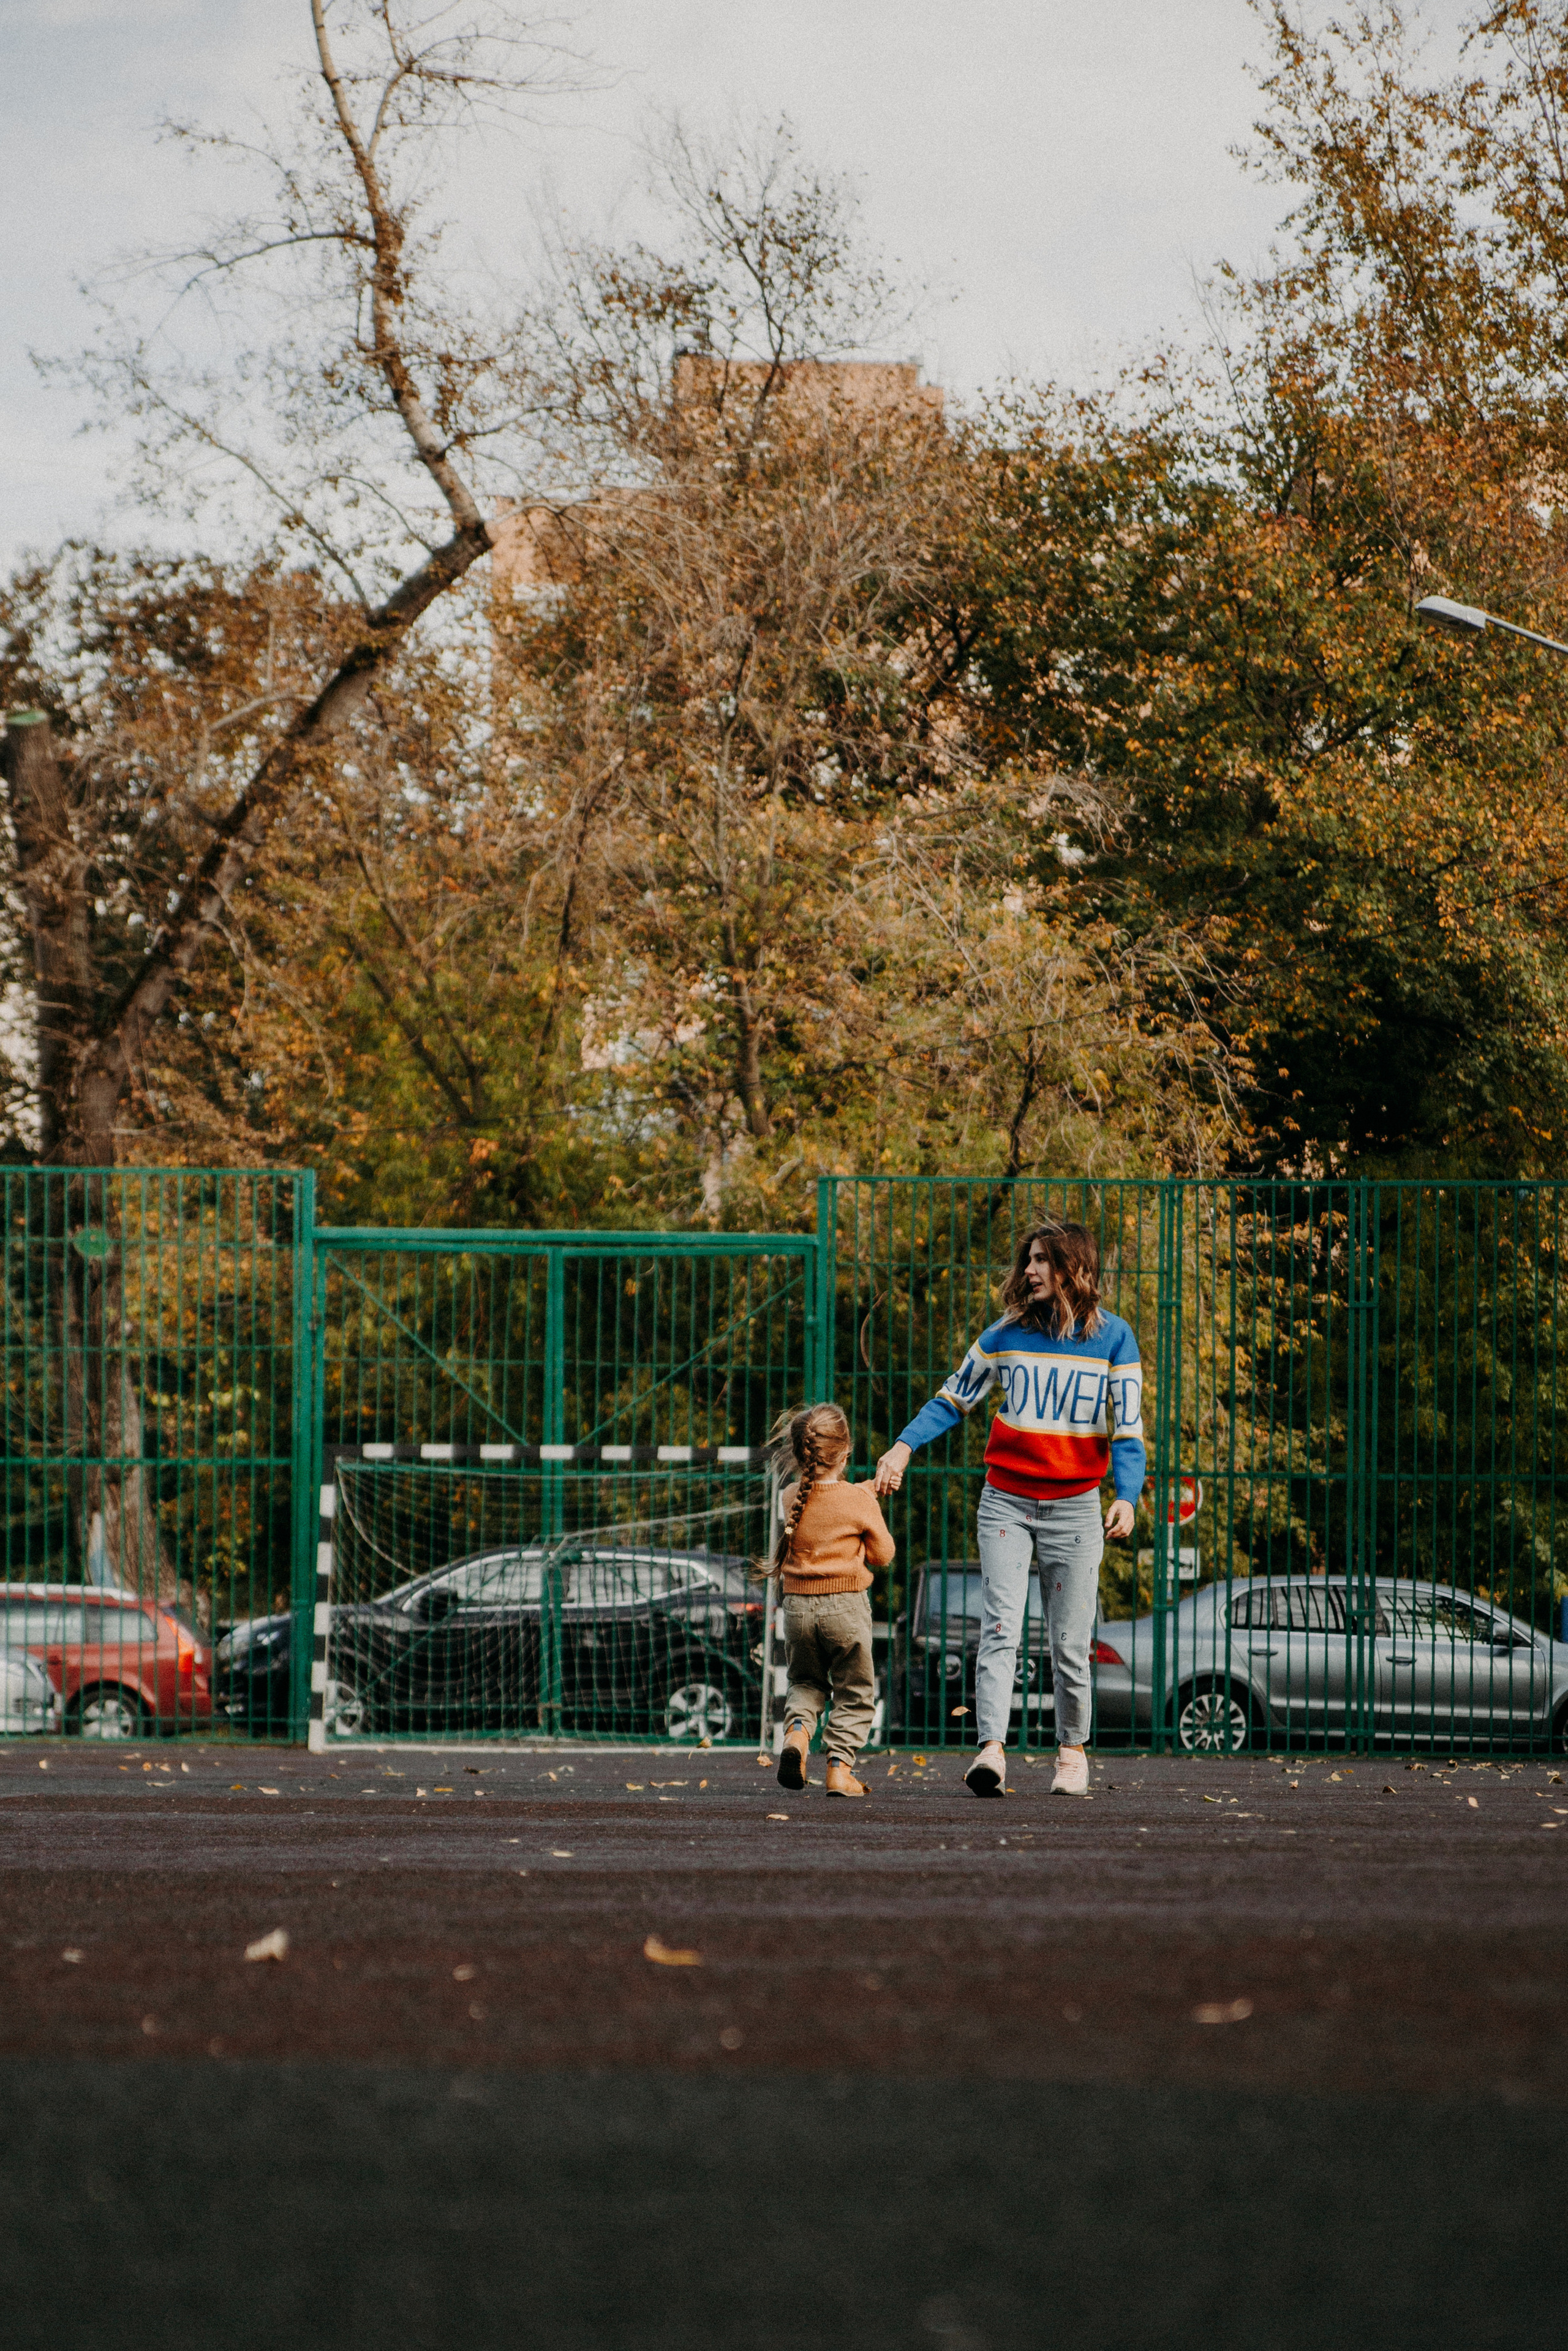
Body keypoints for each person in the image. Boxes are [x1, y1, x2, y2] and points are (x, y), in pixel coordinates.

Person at [873, 1221, 1143, 1798]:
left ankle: (1072, 1753)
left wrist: (1126, 1495)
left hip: (1075, 1507)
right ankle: (991, 1750)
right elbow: (954, 1396)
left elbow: (1129, 1433)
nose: (1029, 1271)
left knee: (1070, 1641)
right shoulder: (1005, 1334)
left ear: (1075, 1268)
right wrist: (903, 1446)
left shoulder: (1116, 1340)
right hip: (1008, 1501)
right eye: (1029, 1260)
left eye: (1043, 1260)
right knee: (999, 1628)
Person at [769, 1402, 895, 1799]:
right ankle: (840, 1769)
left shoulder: (789, 1496)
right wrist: (867, 1504)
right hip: (846, 1608)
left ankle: (797, 1737)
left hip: (798, 1610)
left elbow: (821, 1509)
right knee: (855, 1691)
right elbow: (883, 1554)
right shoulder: (859, 1502)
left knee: (806, 1681)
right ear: (846, 1452)